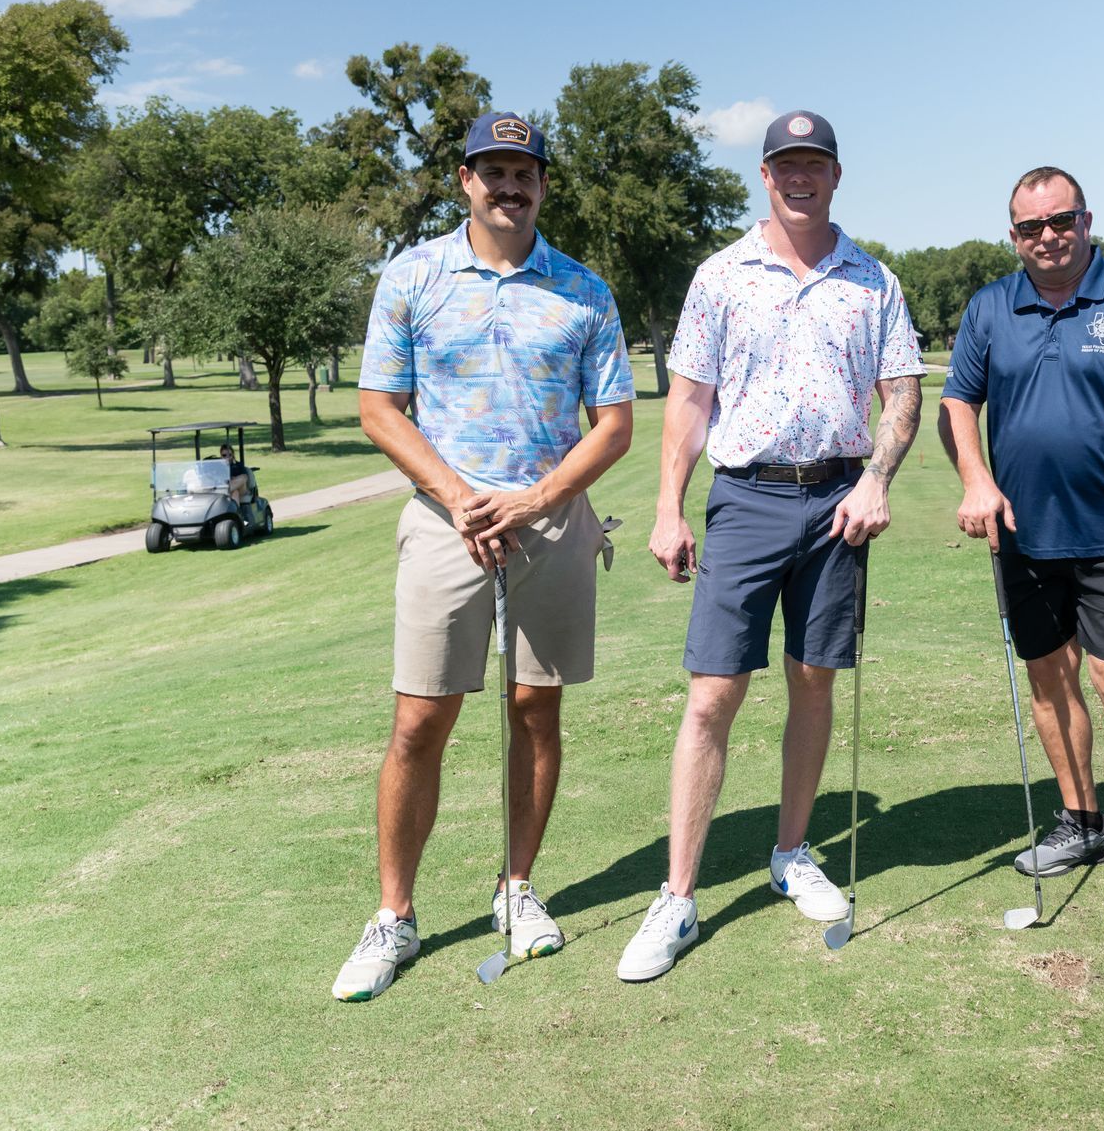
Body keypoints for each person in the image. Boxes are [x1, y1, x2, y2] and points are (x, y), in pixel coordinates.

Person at [333, 112, 636, 1001]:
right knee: (420, 720)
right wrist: (462, 496)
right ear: (464, 178)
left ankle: (517, 888)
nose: (511, 186)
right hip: (445, 519)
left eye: (526, 172)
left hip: (549, 521)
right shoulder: (414, 273)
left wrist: (536, 498)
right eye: (494, 171)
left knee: (535, 711)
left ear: (543, 185)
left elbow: (614, 424)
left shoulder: (584, 290)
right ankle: (393, 916)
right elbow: (380, 406)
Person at [618, 110, 924, 982]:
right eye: (785, 164)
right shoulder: (721, 276)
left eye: (814, 164)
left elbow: (899, 393)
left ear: (835, 174)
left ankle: (792, 850)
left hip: (838, 497)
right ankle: (677, 895)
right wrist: (668, 507)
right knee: (714, 693)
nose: (800, 178)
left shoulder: (873, 280)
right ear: (765, 174)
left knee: (813, 679)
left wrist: (878, 480)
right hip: (746, 498)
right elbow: (687, 400)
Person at [938, 167, 1104, 931]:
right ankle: (1082, 819)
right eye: (1030, 227)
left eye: (1061, 221)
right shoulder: (992, 305)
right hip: (1022, 533)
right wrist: (976, 479)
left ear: (1088, 221)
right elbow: (959, 400)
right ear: (1013, 235)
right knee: (1051, 680)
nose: (1047, 237)